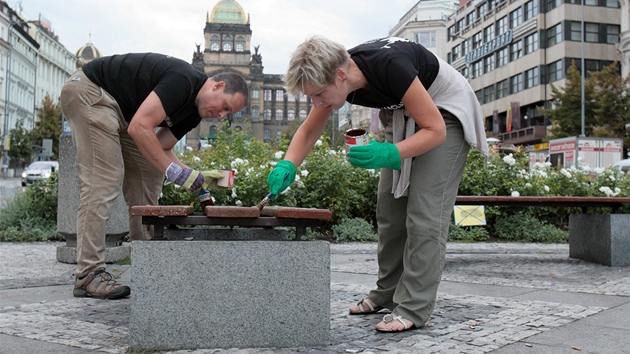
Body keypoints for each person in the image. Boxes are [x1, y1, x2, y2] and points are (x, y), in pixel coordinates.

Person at [267, 36, 488, 332]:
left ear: (340, 76)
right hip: (403, 117)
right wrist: (288, 163)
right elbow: (310, 128)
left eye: (318, 94)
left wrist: (389, 152)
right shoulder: (339, 77)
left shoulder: (390, 65)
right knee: (390, 211)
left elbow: (435, 131)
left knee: (425, 215)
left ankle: (413, 306)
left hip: (444, 116)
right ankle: (388, 293)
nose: (316, 103)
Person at [60, 53, 248, 299]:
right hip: (91, 92)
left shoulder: (193, 113)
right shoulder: (183, 80)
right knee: (104, 178)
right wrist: (173, 171)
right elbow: (140, 127)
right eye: (225, 107)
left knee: (148, 172)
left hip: (124, 114)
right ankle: (89, 273)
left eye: (228, 114)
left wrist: (194, 177)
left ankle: (148, 261)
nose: (222, 116)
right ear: (218, 86)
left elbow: (162, 146)